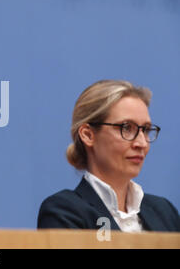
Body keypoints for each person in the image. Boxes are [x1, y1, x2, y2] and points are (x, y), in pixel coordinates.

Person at [38, 80, 180, 232]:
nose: (142, 143)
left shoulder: (164, 212)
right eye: (126, 128)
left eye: (145, 130)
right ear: (88, 135)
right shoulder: (64, 212)